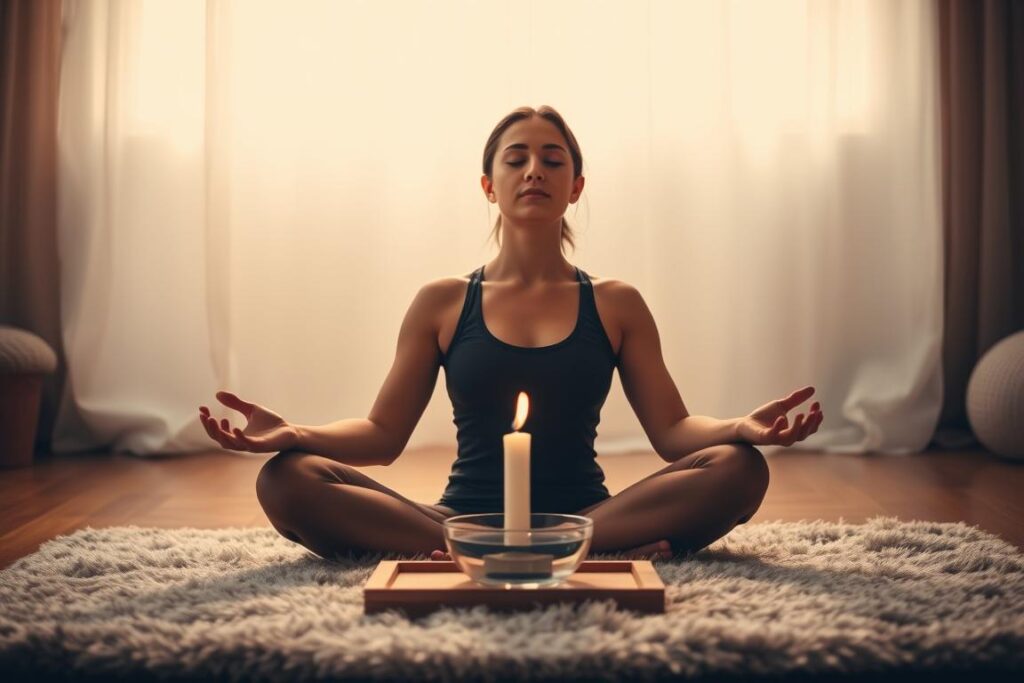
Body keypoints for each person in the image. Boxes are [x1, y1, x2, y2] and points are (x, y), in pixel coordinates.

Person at [198, 105, 823, 562]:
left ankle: (550, 548)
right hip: (455, 520)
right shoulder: (442, 302)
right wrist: (293, 434)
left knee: (739, 470)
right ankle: (512, 551)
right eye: (516, 158)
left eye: (553, 160)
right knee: (286, 479)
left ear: (575, 188)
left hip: (590, 517)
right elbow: (382, 436)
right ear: (488, 185)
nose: (534, 170)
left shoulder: (616, 303)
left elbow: (674, 434)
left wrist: (741, 428)